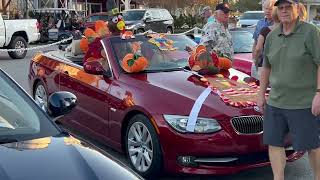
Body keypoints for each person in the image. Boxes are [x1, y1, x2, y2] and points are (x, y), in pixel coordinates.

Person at [258, 0, 320, 180]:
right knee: (274, 143)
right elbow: (266, 67)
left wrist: (318, 93)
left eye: (288, 7)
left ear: (297, 9)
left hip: (303, 102)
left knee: (312, 145)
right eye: (281, 7)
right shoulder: (272, 35)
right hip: (276, 102)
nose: (284, 11)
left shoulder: (310, 32)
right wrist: (261, 93)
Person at [252, 7, 280, 79]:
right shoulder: (287, 31)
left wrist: (255, 61)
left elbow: (258, 48)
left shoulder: (265, 30)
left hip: (266, 63)